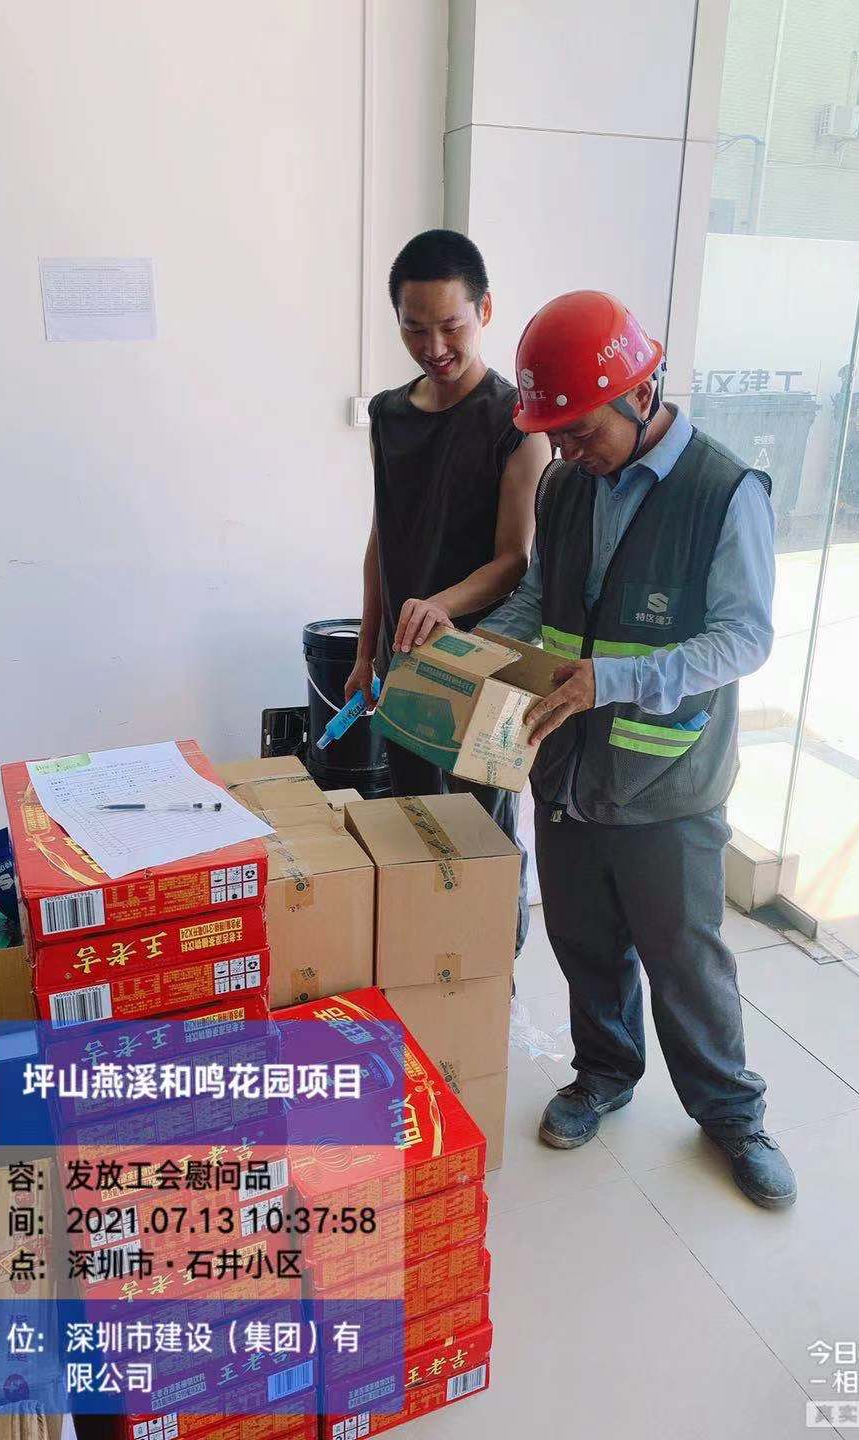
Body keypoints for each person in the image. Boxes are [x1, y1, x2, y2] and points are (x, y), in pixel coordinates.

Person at [482, 290, 797, 1209]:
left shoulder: (724, 492)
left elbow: (744, 639)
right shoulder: (564, 485)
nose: (568, 450)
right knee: (584, 940)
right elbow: (540, 598)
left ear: (641, 392)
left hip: (669, 778)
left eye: (580, 431)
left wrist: (612, 679)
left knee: (685, 960)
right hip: (566, 765)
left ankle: (732, 1115)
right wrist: (476, 653)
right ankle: (605, 1075)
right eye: (555, 436)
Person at [345, 229, 549, 957]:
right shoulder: (388, 414)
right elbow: (383, 540)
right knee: (412, 828)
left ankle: (493, 981)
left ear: (484, 310)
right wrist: (365, 653)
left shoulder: (516, 423)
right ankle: (429, 971)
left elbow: (514, 560)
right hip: (405, 663)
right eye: (414, 328)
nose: (433, 346)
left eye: (450, 326)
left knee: (483, 837)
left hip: (484, 667)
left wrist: (442, 604)